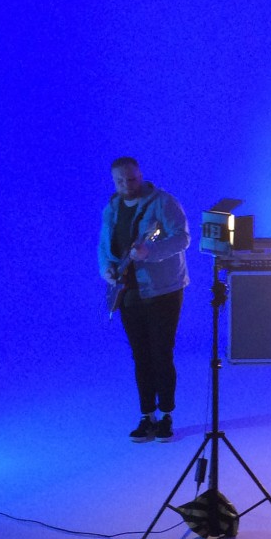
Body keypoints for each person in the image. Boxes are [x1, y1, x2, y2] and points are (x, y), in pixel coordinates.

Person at [98, 156, 190, 442]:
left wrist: (151, 252)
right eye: (120, 181)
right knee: (140, 355)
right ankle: (146, 415)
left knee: (161, 353)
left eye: (132, 179)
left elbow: (182, 238)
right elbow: (104, 246)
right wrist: (107, 269)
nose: (127, 185)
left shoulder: (163, 202)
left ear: (140, 175)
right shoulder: (112, 207)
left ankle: (166, 415)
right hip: (129, 291)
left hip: (163, 290)